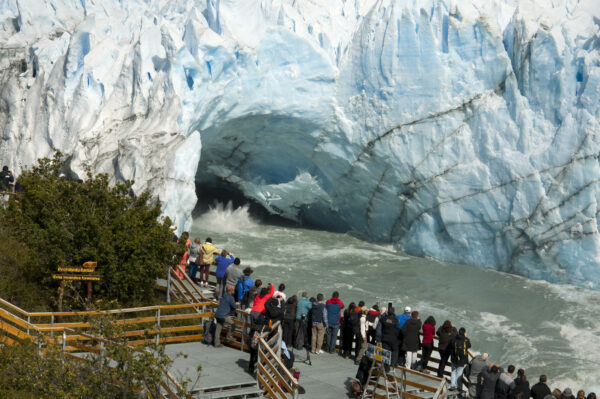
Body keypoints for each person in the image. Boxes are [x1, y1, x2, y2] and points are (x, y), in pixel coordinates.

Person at [449, 327, 471, 392]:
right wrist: (466, 337)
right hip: (462, 360)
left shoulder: (454, 338)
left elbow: (451, 345)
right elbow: (469, 346)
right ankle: (458, 386)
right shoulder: (466, 340)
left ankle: (453, 385)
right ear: (464, 333)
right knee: (459, 373)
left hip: (454, 358)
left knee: (453, 372)